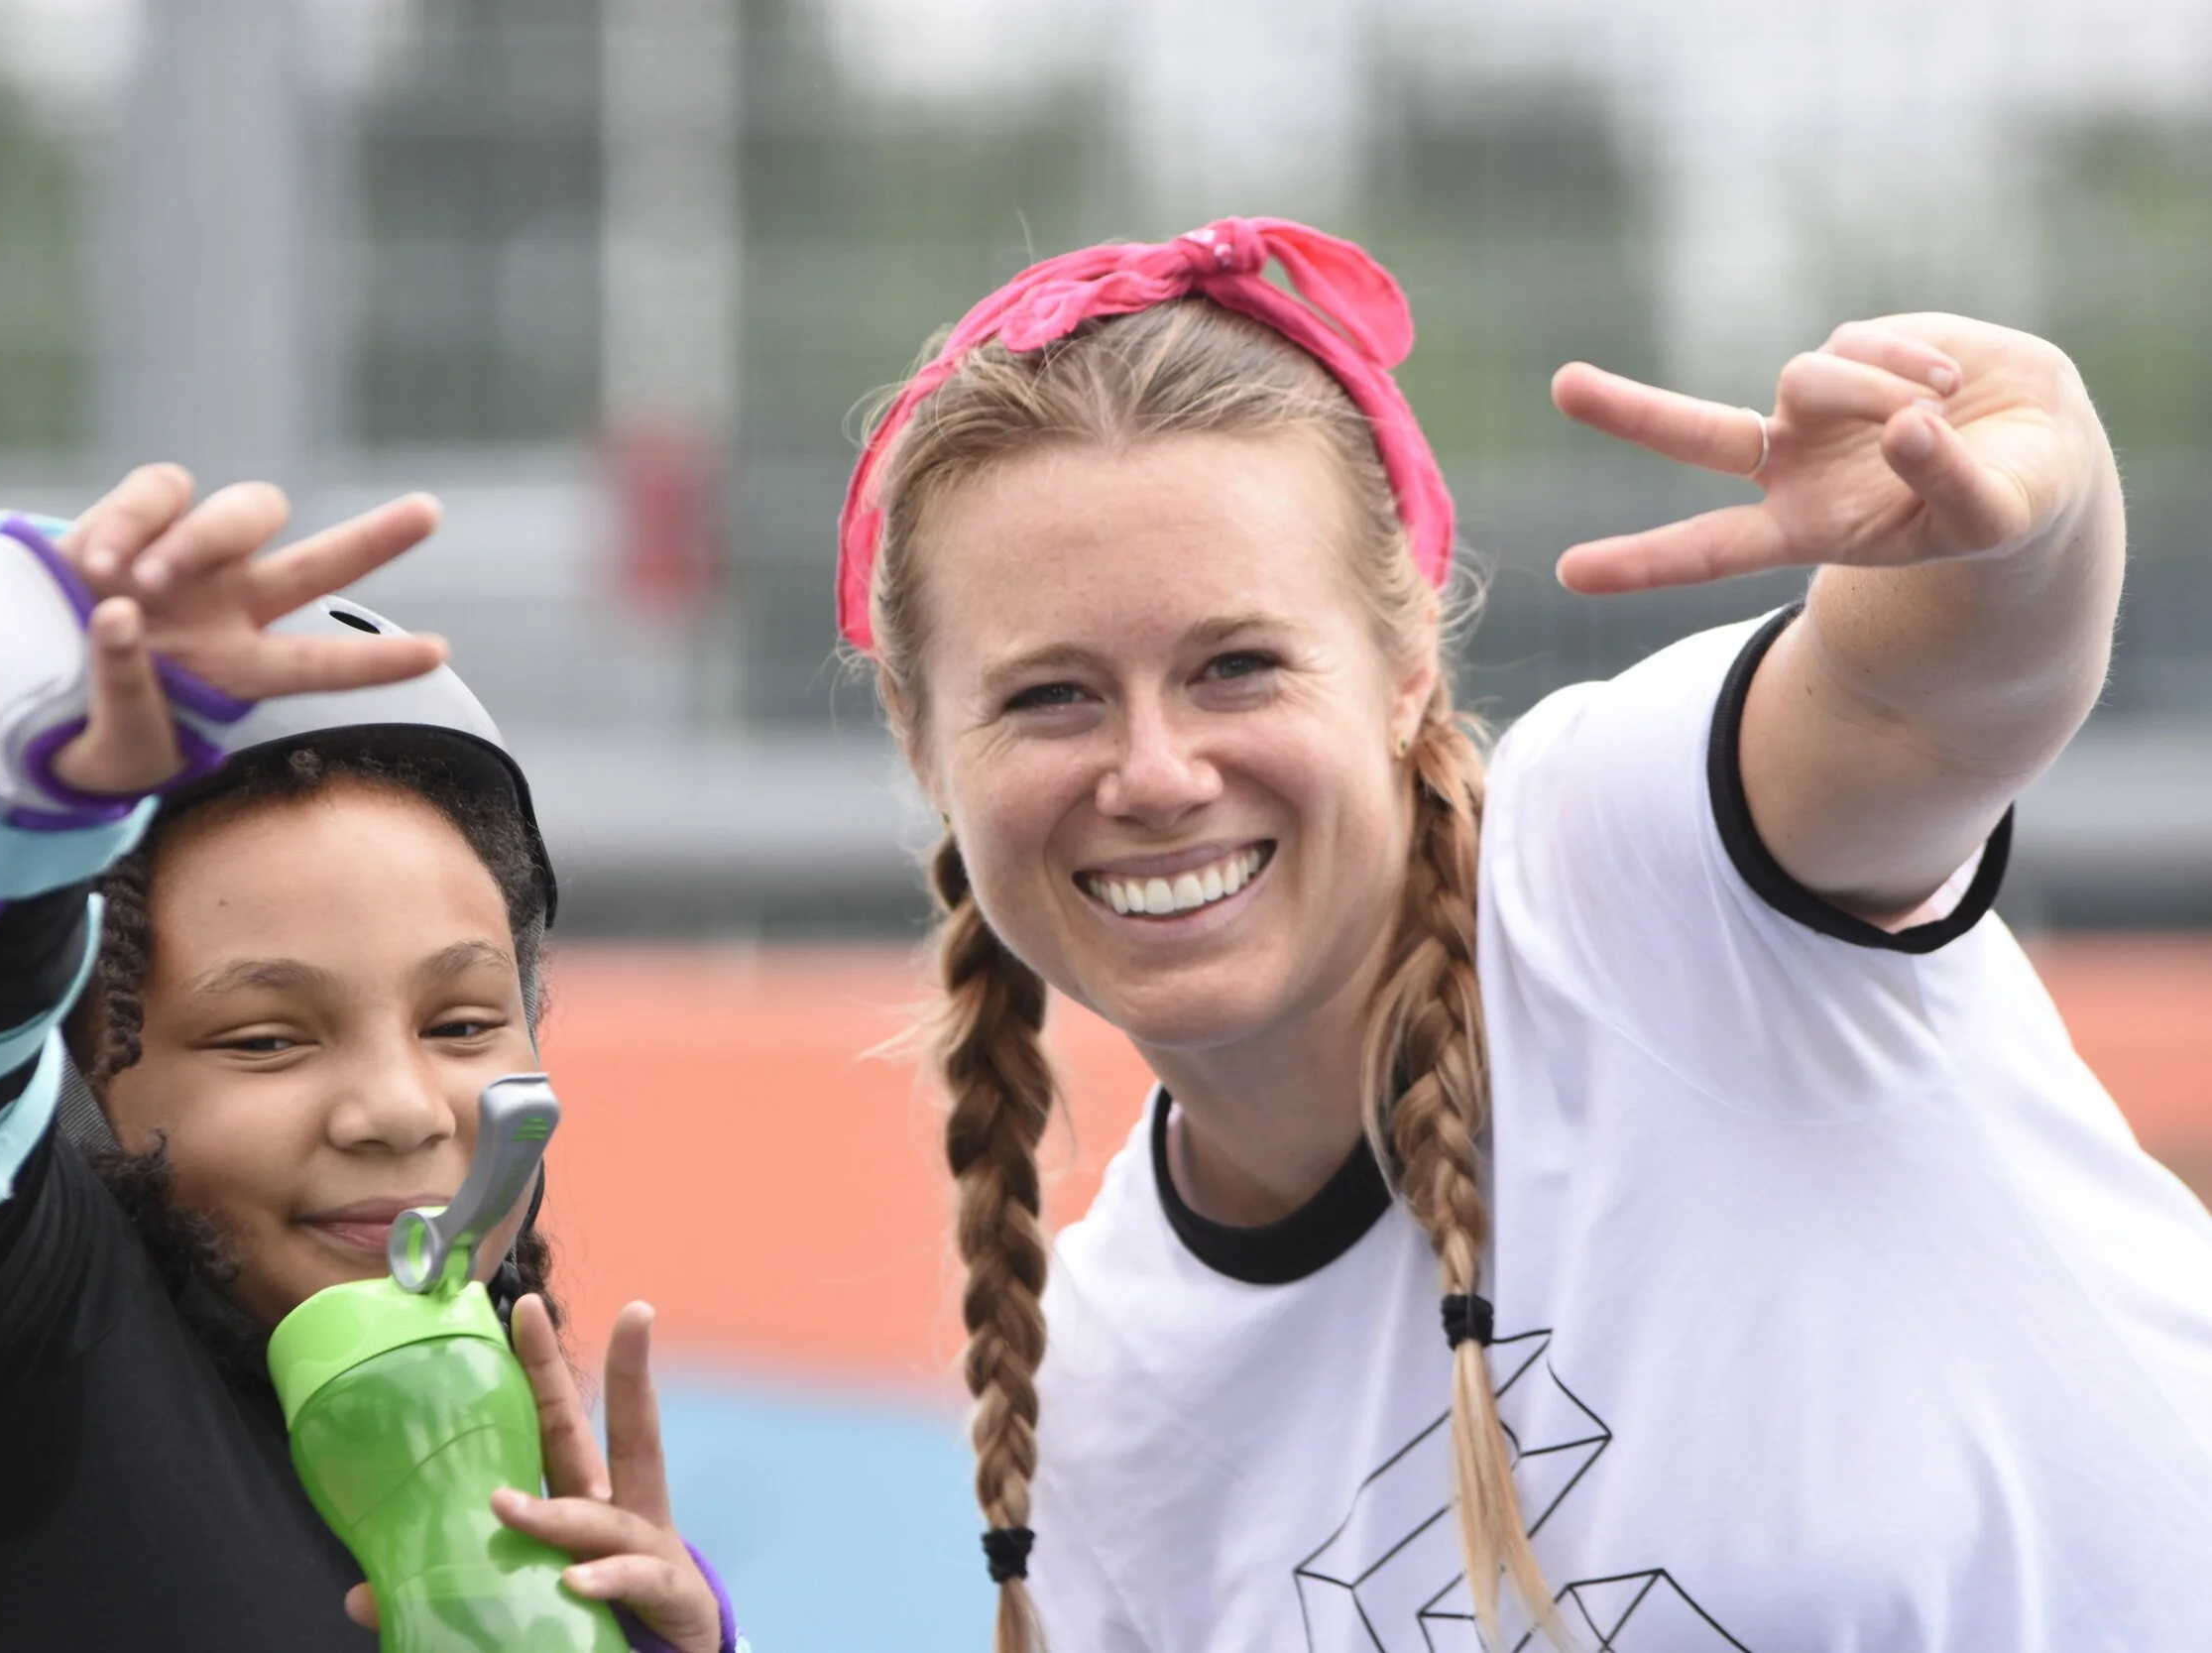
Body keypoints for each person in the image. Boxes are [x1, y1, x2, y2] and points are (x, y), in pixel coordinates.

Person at [838, 217, 2212, 1651]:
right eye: (1050, 695)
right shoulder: (1105, 1399)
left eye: (1236, 665)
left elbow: (1933, 694)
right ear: (922, 742)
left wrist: (2028, 523)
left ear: (1404, 666)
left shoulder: (1636, 850)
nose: (1156, 772)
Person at [0, 468, 741, 1652]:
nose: (400, 1108)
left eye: (462, 1024)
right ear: (76, 1083)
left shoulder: (573, 1541)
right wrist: (14, 814)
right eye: (267, 1038)